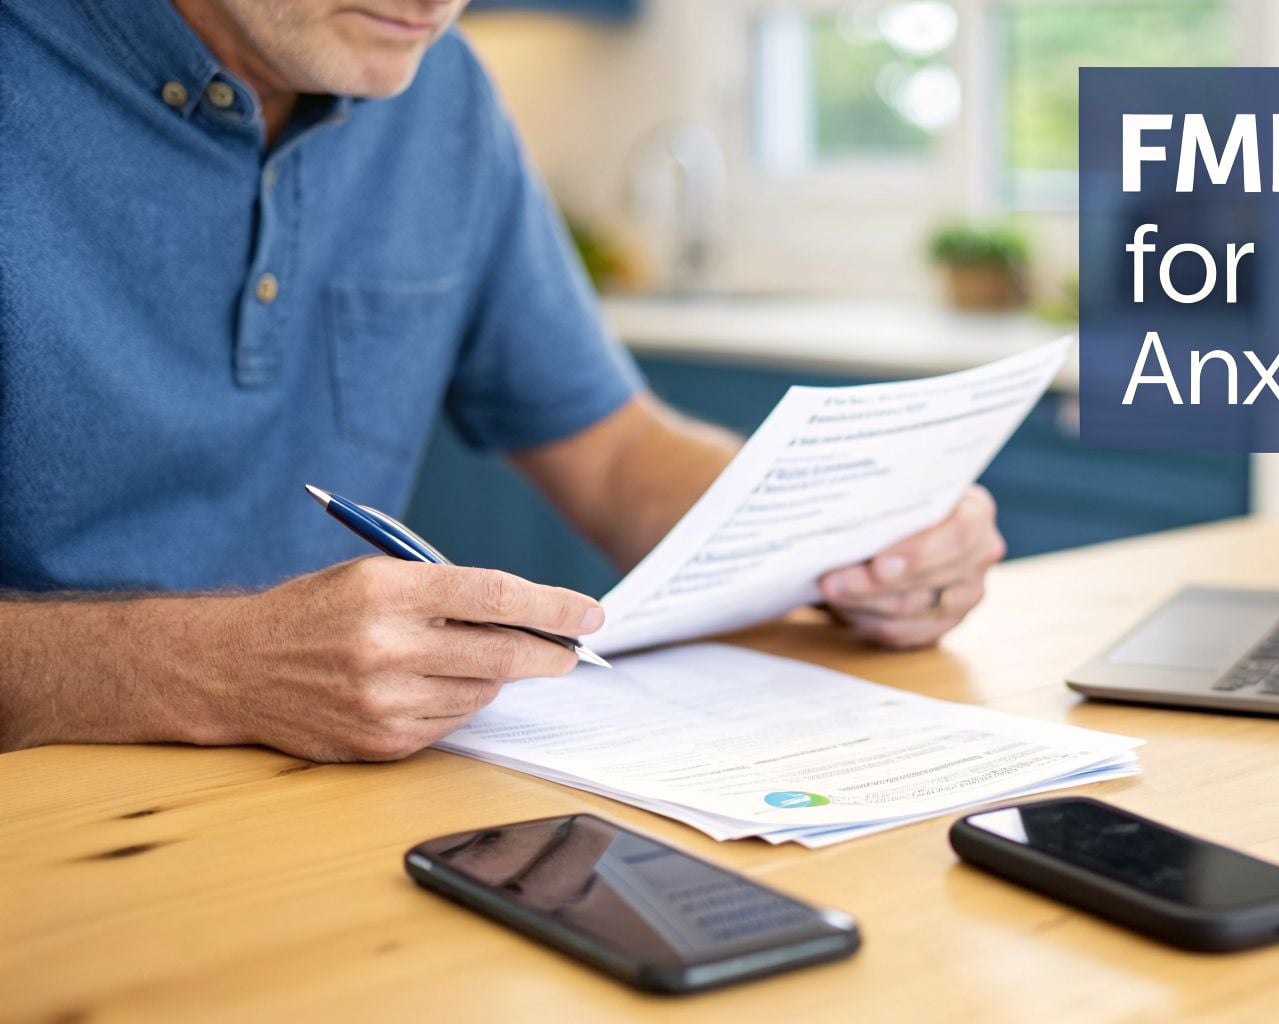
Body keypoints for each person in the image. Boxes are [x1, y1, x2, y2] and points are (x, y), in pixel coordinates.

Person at [0, 0, 1007, 762]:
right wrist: (212, 669)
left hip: (335, 819)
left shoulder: (441, 93)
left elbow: (612, 453)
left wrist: (849, 535)